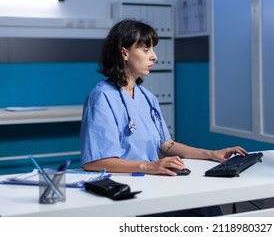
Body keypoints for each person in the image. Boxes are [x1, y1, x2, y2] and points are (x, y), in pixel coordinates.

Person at [80, 19, 247, 216]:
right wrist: (149, 166)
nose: (154, 56)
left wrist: (212, 154)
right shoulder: (102, 97)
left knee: (207, 205)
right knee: (200, 214)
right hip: (126, 192)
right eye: (145, 49)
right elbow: (95, 162)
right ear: (124, 52)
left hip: (153, 183)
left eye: (153, 49)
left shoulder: (147, 97)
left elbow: (165, 145)